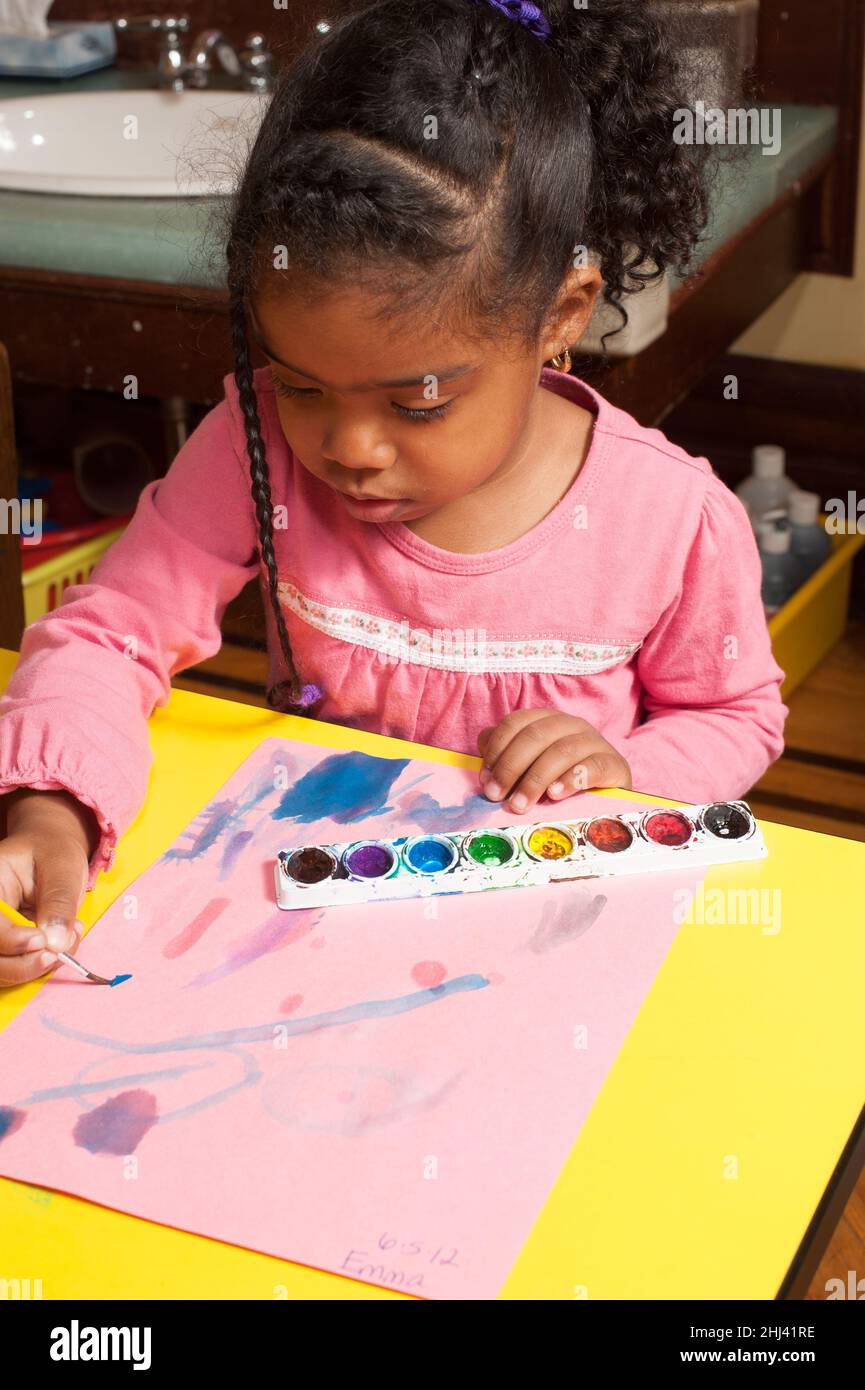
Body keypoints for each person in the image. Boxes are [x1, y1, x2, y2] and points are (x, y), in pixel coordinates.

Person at [0, 0, 787, 984]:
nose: (350, 449)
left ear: (559, 316)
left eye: (418, 402)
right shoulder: (253, 450)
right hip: (306, 942)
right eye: (302, 386)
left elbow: (738, 714)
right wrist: (52, 806)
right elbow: (108, 636)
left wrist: (627, 769)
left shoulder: (670, 520)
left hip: (544, 948)